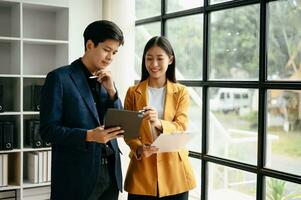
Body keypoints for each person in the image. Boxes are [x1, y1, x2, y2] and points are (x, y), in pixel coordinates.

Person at [39, 20, 125, 200]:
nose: (110, 57)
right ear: (90, 45)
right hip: (76, 177)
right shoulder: (59, 78)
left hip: (110, 173)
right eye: (107, 50)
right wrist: (89, 135)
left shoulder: (106, 80)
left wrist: (112, 92)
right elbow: (48, 131)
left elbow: (118, 122)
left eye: (114, 52)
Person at [123, 36, 196, 200]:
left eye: (159, 58)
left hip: (175, 173)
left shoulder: (181, 92)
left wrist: (158, 123)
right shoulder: (133, 92)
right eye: (149, 58)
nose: (154, 64)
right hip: (142, 171)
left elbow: (181, 126)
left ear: (170, 60)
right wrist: (140, 149)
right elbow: (128, 131)